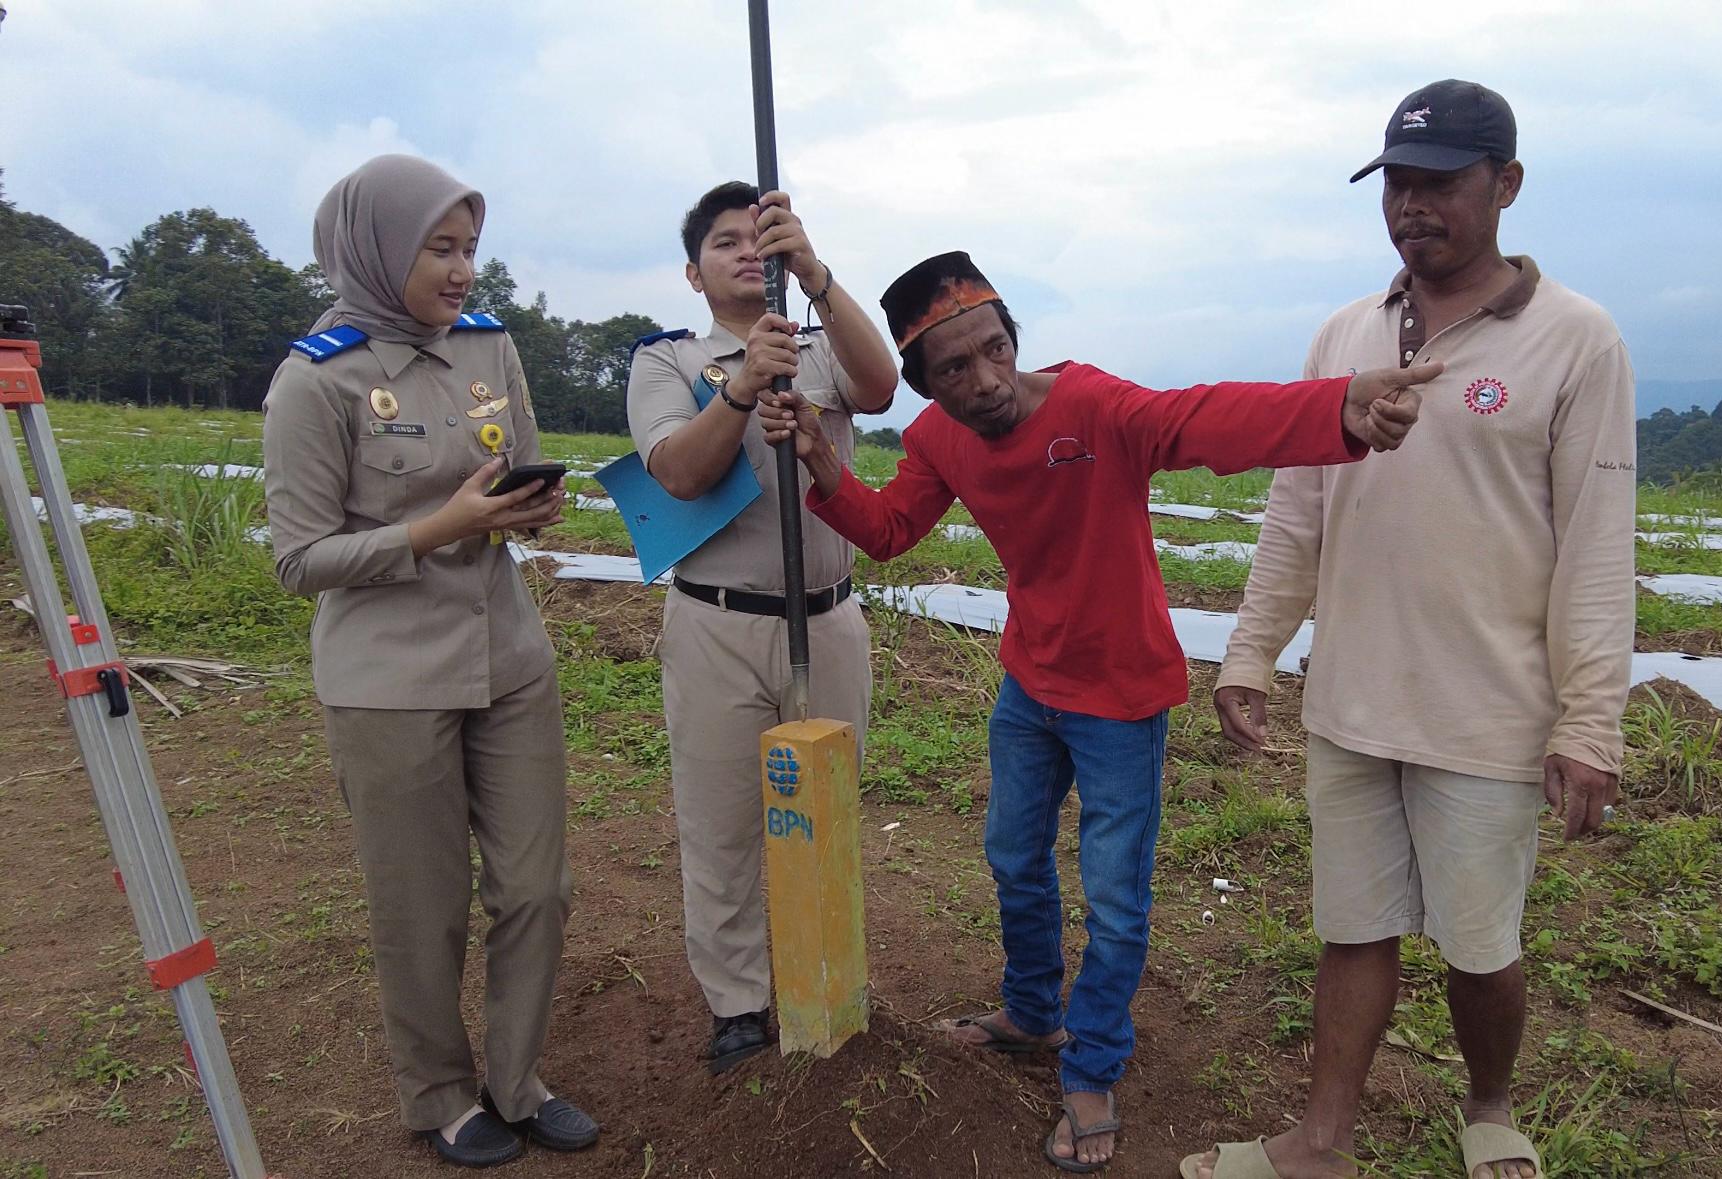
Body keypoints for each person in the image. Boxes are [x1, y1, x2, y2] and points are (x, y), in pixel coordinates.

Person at [757, 249, 1437, 1173]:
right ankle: (1034, 1012)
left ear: (1013, 337)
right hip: (1030, 686)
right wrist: (818, 459)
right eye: (956, 369)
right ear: (925, 385)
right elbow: (888, 533)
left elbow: (1201, 417)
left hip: (1121, 697)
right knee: (1012, 856)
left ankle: (1092, 1064)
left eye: (996, 349)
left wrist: (1338, 404)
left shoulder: (1095, 407)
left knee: (1115, 897)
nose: (987, 379)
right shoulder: (940, 442)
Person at [1185, 80, 1636, 1179]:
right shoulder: (1345, 333)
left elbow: (1593, 545)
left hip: (1485, 709)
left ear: (1506, 186)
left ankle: (1488, 1109)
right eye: (1396, 182)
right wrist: (1251, 651)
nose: (1409, 205)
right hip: (1350, 699)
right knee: (1353, 926)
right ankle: (1320, 1141)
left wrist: (1589, 720)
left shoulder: (1574, 342)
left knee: (1479, 947)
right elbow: (1297, 514)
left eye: (1438, 183)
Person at [262, 154, 598, 1168]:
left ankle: (517, 1079)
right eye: (438, 250)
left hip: (508, 656)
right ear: (375, 251)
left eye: (469, 251)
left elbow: (513, 470)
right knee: (421, 904)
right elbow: (297, 559)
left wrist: (527, 508)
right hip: (388, 682)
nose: (460, 272)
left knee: (536, 885)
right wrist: (433, 527)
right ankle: (442, 1095)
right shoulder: (315, 381)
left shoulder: (488, 349)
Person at [624, 182, 897, 1072]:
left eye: (762, 240)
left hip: (829, 615)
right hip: (718, 622)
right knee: (724, 822)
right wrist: (741, 389)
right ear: (694, 271)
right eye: (725, 242)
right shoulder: (669, 361)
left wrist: (815, 275)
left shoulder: (816, 340)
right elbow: (676, 473)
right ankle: (739, 1001)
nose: (748, 252)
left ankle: (825, 971)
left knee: (825, 805)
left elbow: (883, 386)